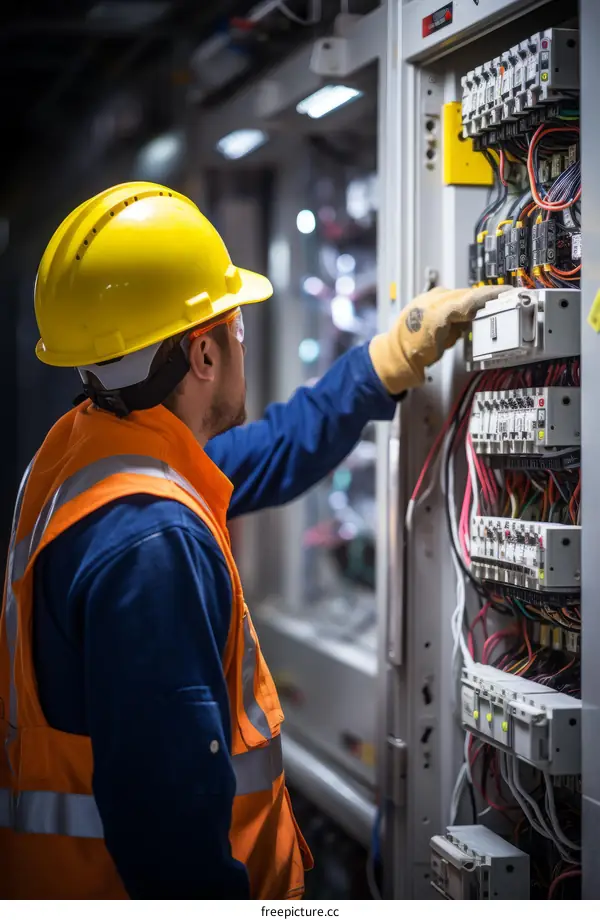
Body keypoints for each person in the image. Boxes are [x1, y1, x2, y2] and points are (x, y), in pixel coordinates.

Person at [0, 182, 508, 899]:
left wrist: (390, 357)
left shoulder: (88, 453)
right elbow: (172, 838)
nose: (244, 339)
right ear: (202, 354)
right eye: (235, 325)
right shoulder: (151, 541)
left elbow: (267, 451)